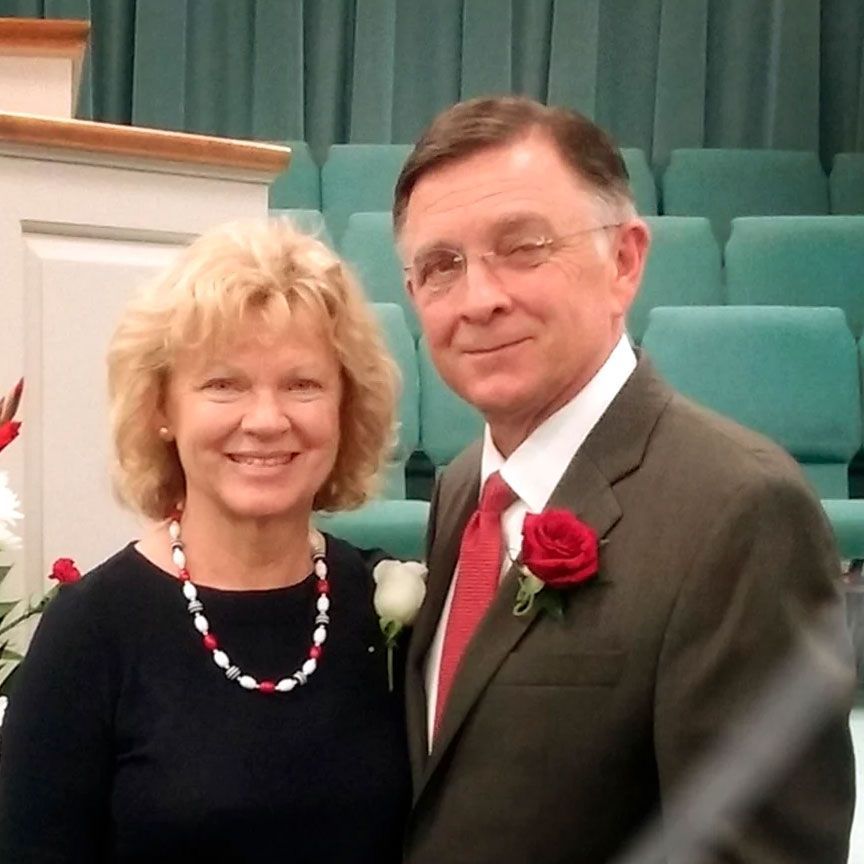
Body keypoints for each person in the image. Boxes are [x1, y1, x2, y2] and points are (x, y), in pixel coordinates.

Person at [394, 96, 855, 863]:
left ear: (625, 260)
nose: (479, 299)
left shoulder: (741, 509)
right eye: (441, 266)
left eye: (523, 246)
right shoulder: (462, 486)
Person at [0, 221, 411, 862]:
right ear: (162, 407)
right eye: (224, 384)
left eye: (303, 383)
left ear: (344, 406)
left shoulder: (388, 605)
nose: (267, 420)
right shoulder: (91, 632)